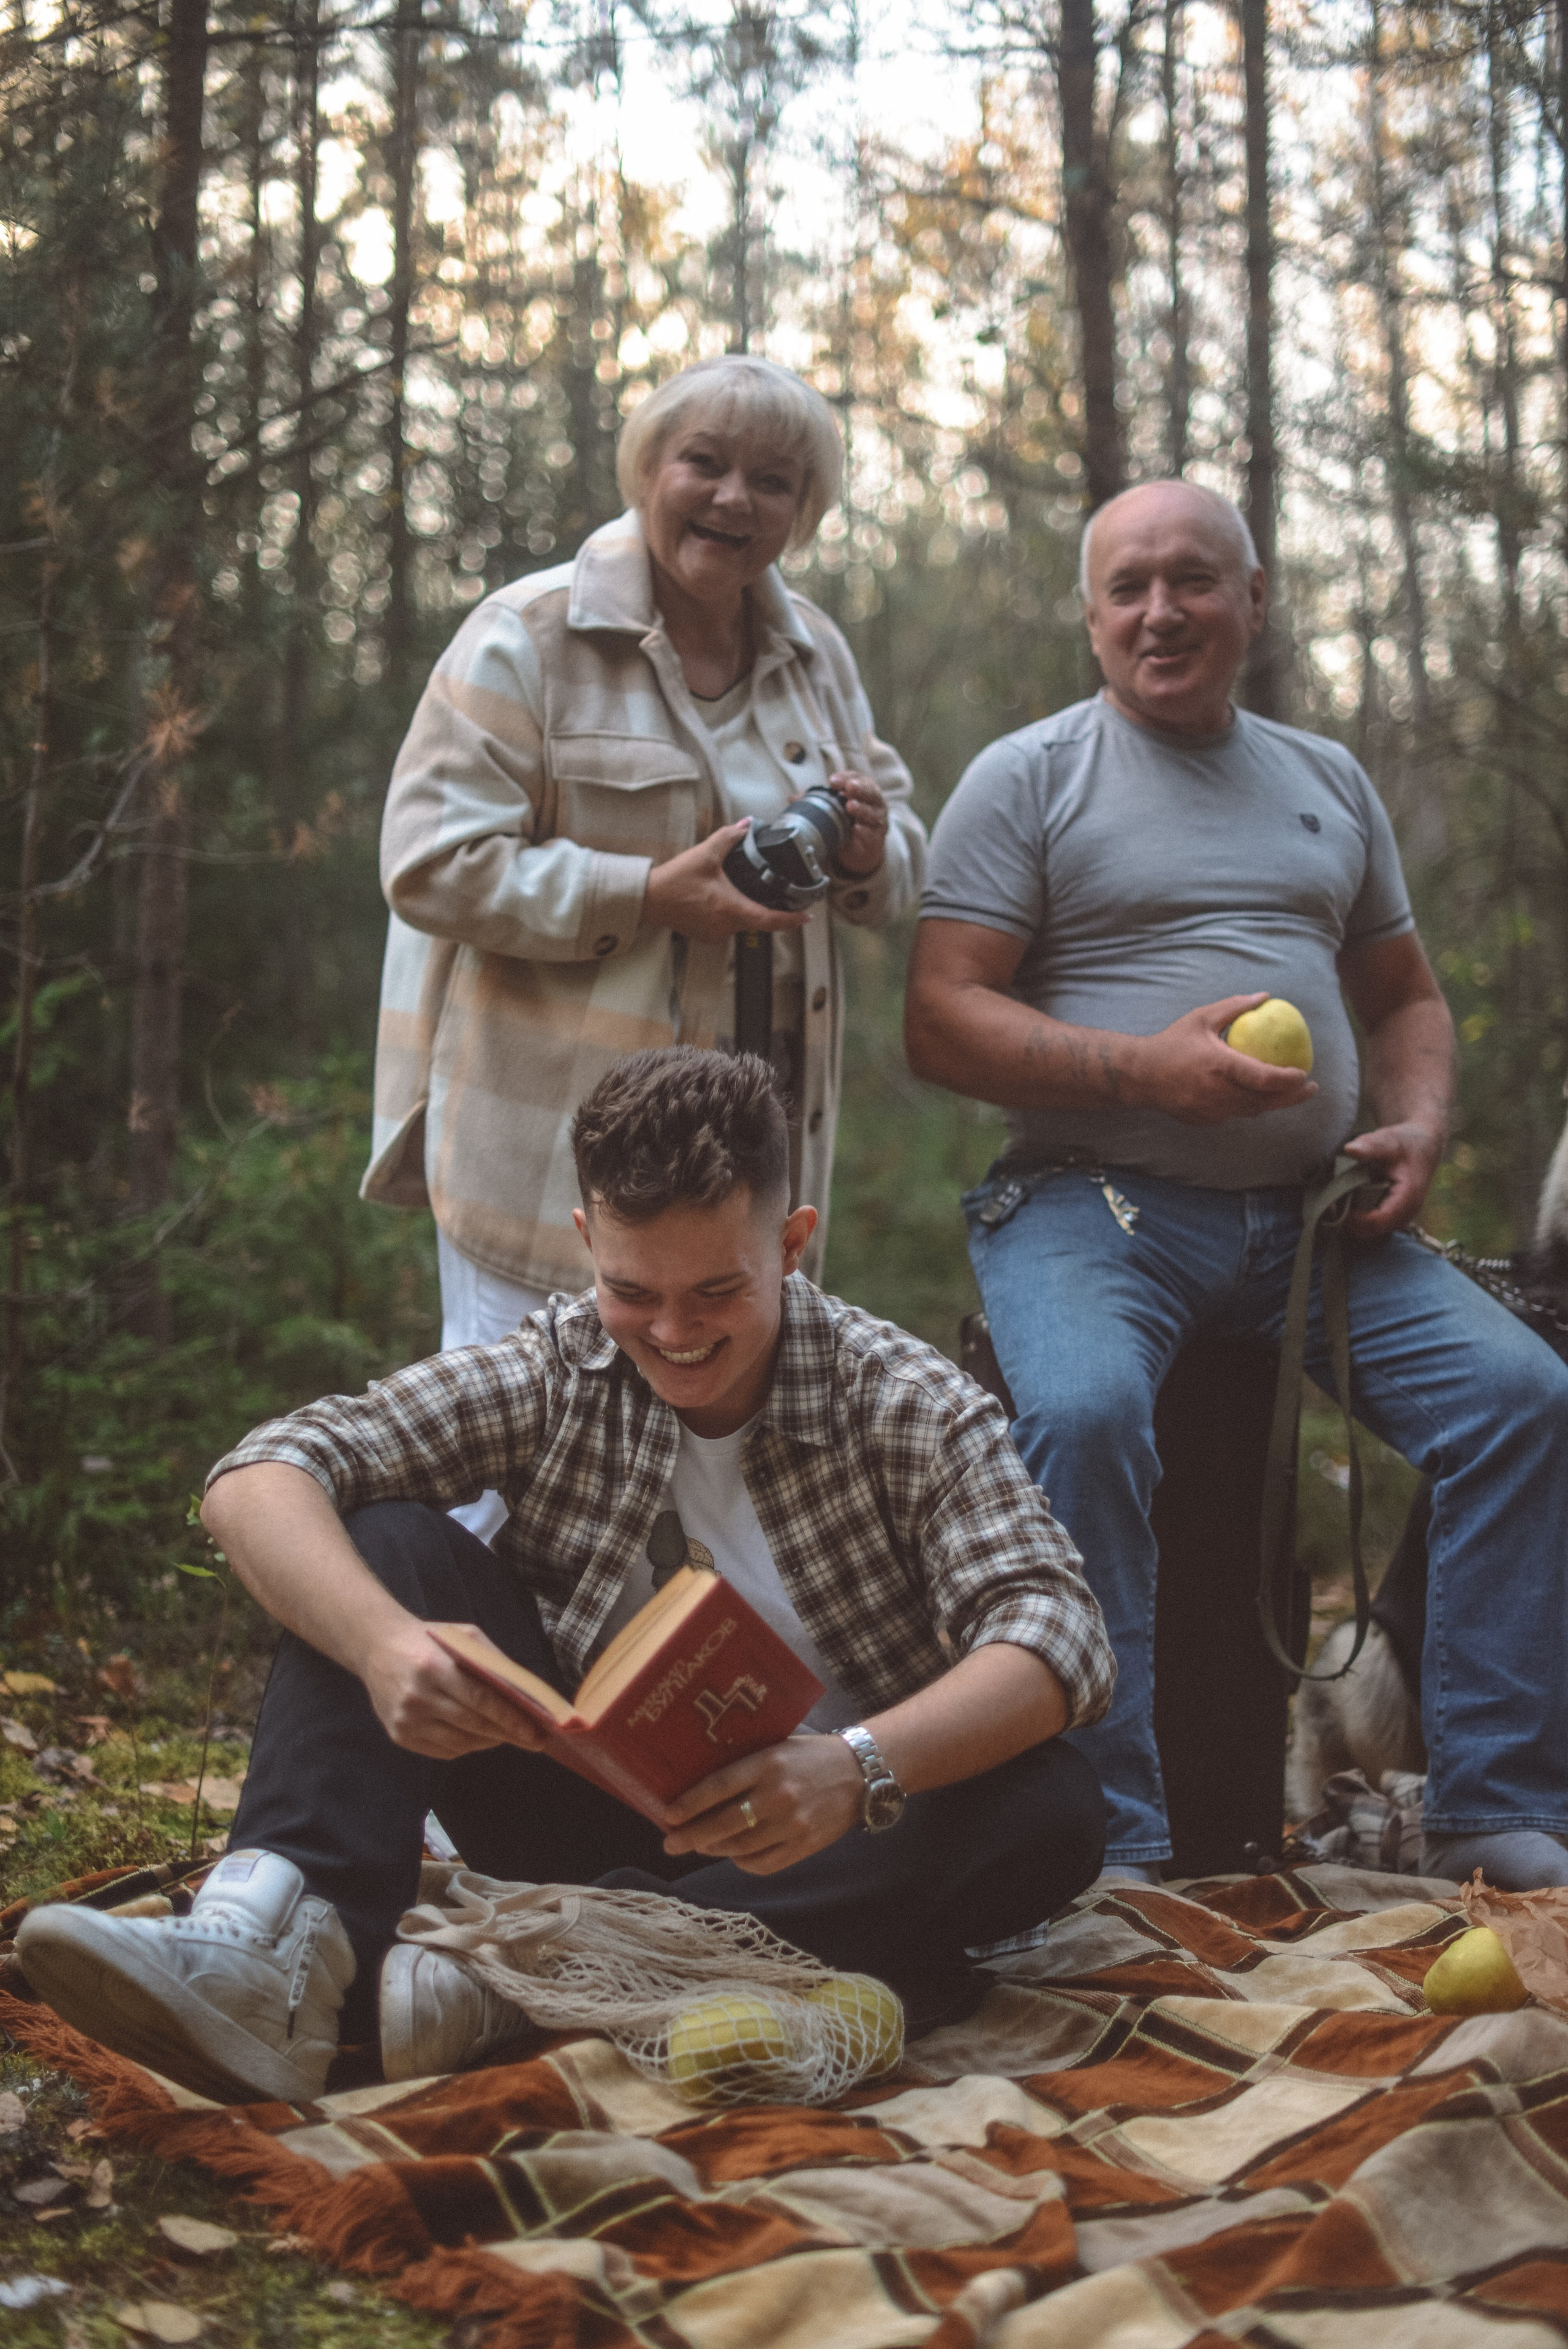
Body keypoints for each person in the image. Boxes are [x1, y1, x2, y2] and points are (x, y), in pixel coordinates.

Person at [17, 1050, 1110, 2105]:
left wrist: (857, 1767)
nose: (674, 1335)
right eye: (634, 1290)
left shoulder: (908, 1403)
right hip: (597, 1826)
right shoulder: (563, 1365)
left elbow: (1058, 1632)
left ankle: (535, 1977)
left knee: (1053, 1806)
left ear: (792, 1242)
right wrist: (385, 1645)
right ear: (587, 1240)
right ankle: (274, 1947)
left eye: (718, 1289)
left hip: (844, 1849)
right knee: (391, 1542)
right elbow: (260, 1472)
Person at [905, 477, 1568, 1894]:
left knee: (1522, 1399)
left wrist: (1415, 1123)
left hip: (1320, 1224)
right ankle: (1116, 1844)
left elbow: (1402, 999)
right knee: (1081, 1416)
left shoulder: (1324, 777)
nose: (1161, 611)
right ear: (1089, 618)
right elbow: (939, 1016)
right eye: (1128, 587)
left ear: (1251, 602)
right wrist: (1141, 1073)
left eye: (1193, 580)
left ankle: (1489, 1800)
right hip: (1094, 1210)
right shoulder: (1028, 776)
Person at [363, 355, 925, 1535]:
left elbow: (900, 853)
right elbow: (427, 861)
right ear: (648, 470)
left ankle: (667, 1713)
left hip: (747, 1159)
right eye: (704, 464)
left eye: (773, 482)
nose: (733, 500)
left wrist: (869, 852)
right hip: (549, 1148)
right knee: (511, 1463)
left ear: (804, 510)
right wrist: (649, 895)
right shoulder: (529, 632)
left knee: (716, 1473)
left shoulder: (815, 653)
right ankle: (471, 1702)